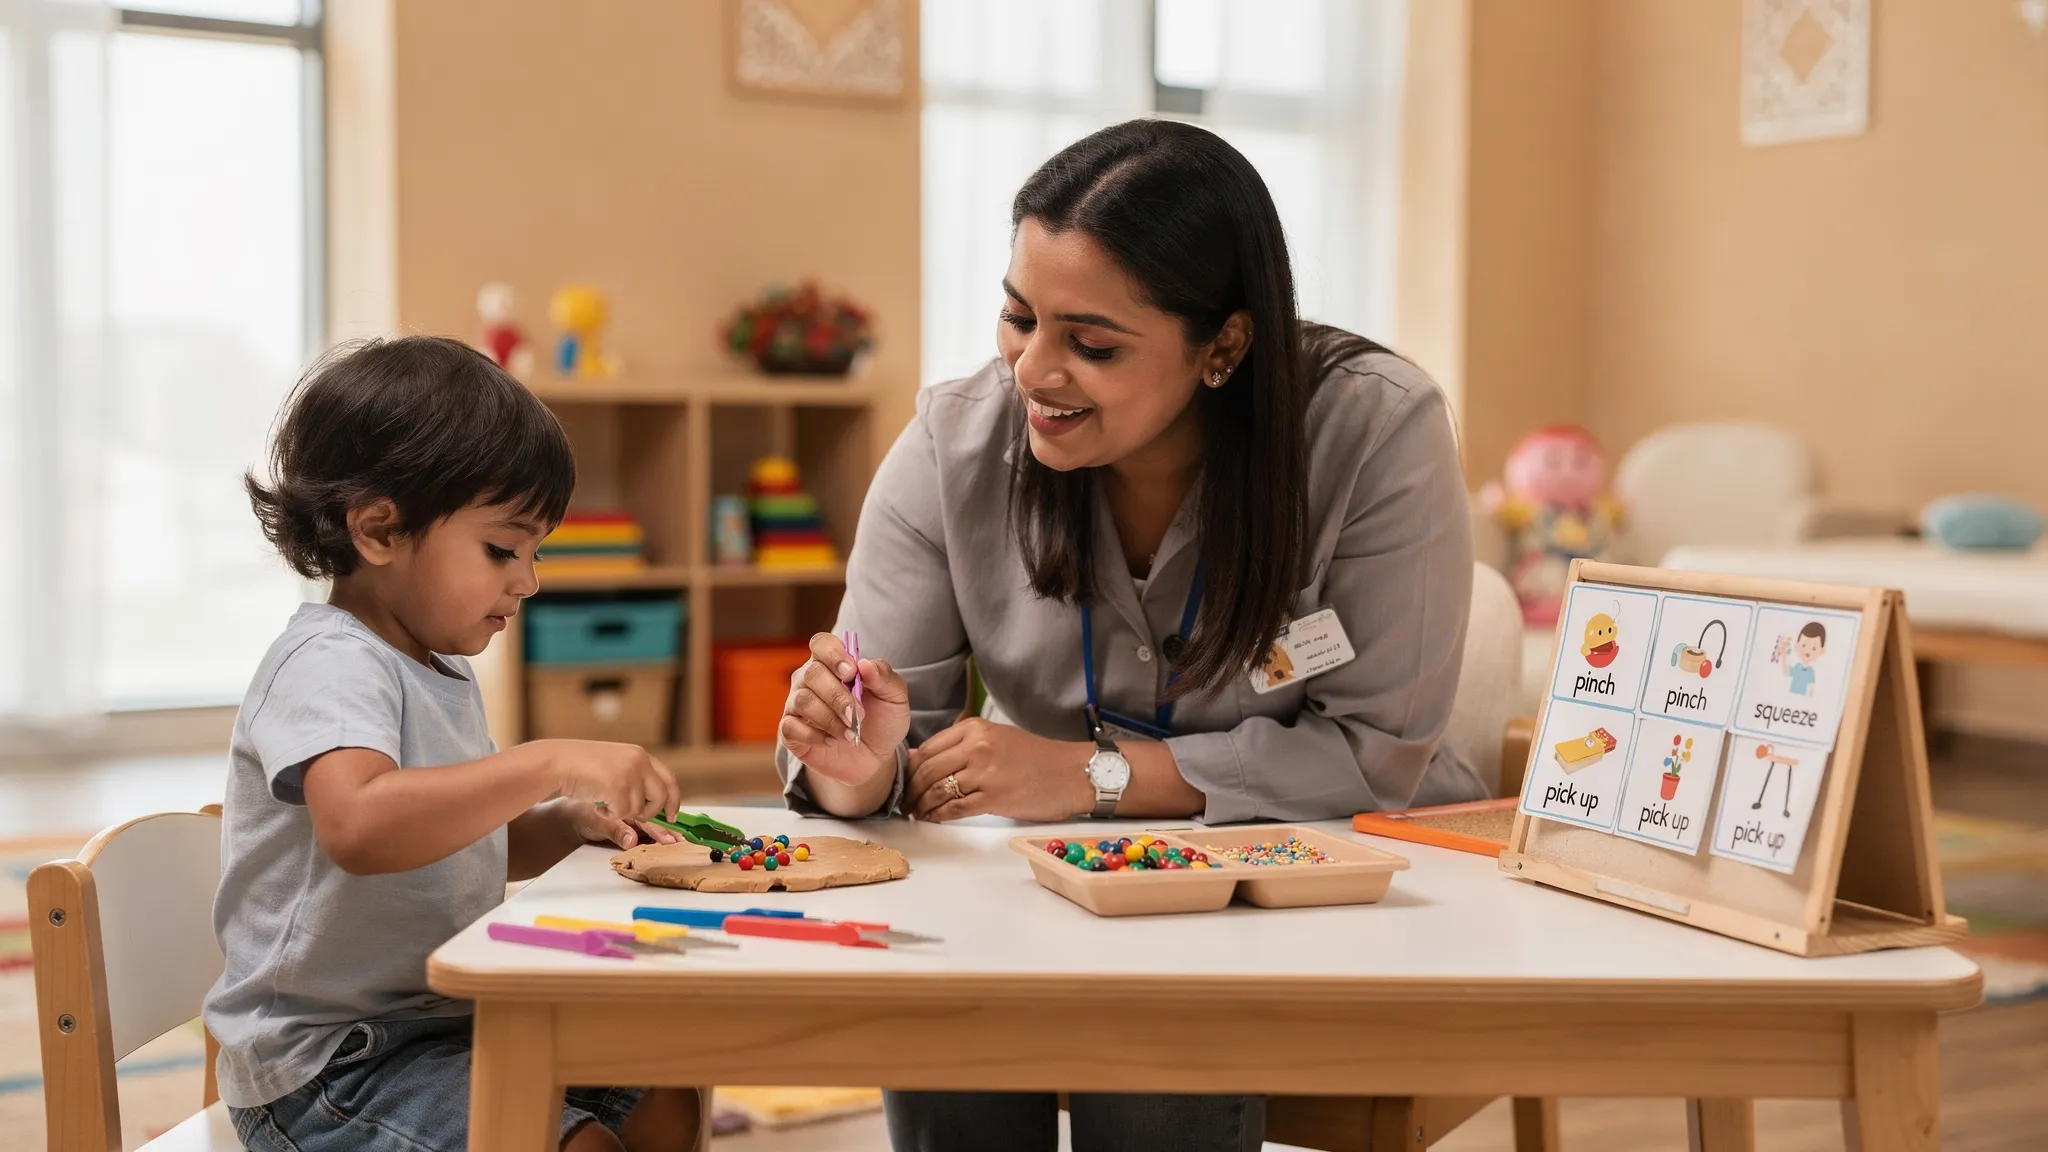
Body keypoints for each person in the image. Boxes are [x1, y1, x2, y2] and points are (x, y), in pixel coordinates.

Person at [773, 120, 1481, 1152]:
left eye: (1091, 345)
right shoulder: (951, 442)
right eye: (1018, 318)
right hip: (1051, 880)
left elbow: (1374, 760)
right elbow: (875, 761)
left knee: (1157, 1058)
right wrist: (856, 766)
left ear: (1223, 347)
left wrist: (1085, 777)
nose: (1031, 371)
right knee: (946, 1014)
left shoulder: (1371, 430)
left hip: (1313, 888)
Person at [207, 336, 697, 1152]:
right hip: (330, 1066)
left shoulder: (435, 670)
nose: (527, 581)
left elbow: (460, 843)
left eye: (535, 553)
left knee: (668, 1078)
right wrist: (545, 759)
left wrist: (566, 822)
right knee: (575, 1147)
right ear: (378, 530)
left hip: (446, 1020)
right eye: (503, 549)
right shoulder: (328, 663)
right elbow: (363, 828)